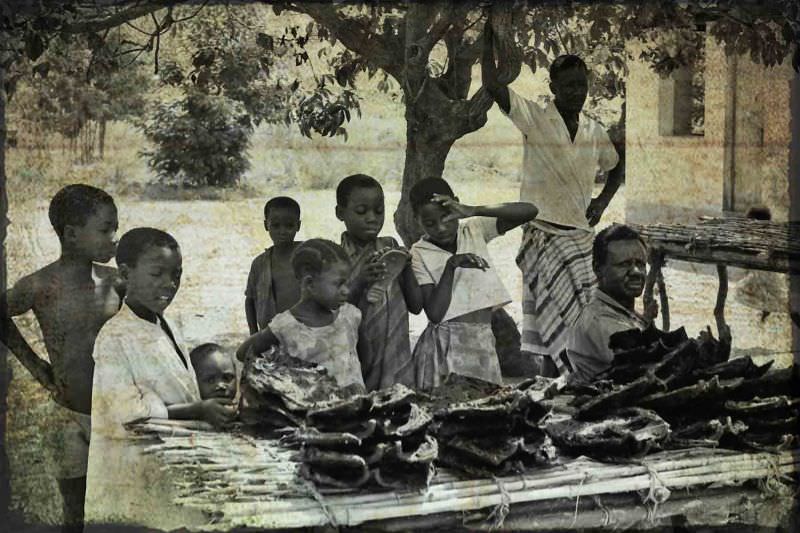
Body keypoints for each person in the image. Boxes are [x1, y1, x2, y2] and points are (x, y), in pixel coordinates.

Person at [483, 20, 623, 376]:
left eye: (582, 85)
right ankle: (551, 390)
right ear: (554, 87)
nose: (577, 92)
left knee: (583, 314)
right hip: (541, 234)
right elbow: (493, 85)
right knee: (546, 322)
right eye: (569, 85)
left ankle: (582, 382)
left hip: (579, 236)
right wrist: (489, 36)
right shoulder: (536, 119)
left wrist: (603, 202)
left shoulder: (594, 131)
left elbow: (616, 167)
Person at [85, 228, 237, 527]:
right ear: (126, 273)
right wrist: (197, 410)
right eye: (157, 273)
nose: (170, 284)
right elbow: (128, 416)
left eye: (176, 274)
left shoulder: (165, 323)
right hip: (134, 472)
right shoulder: (115, 337)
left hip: (170, 462)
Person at [0, 184, 121, 533]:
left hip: (115, 415)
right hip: (69, 415)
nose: (114, 237)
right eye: (105, 229)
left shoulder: (116, 283)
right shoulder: (40, 285)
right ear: (71, 234)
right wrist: (37, 367)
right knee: (76, 513)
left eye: (116, 228)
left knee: (115, 505)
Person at [408, 178, 538, 390]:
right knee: (451, 405)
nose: (441, 228)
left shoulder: (474, 229)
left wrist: (474, 210)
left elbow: (530, 211)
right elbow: (435, 313)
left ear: (456, 205)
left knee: (482, 406)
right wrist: (451, 266)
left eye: (447, 217)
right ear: (416, 220)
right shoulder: (418, 253)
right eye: (430, 223)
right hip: (447, 345)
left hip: (483, 338)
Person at [237, 239, 366, 395]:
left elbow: (366, 355)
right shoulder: (286, 326)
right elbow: (243, 353)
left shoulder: (350, 317)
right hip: (311, 415)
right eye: (339, 284)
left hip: (356, 412)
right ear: (310, 283)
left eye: (347, 283)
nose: (346, 290)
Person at [335, 174, 423, 391]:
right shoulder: (336, 258)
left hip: (396, 355)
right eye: (361, 211)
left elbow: (416, 306)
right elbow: (334, 312)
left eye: (379, 210)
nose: (372, 218)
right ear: (340, 213)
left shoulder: (391, 247)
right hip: (357, 357)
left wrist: (406, 266)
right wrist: (361, 280)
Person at [565, 224, 656, 383]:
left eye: (640, 264)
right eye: (624, 264)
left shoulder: (619, 313)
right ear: (598, 269)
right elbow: (653, 370)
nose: (636, 272)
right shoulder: (602, 323)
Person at [245, 196, 303, 335]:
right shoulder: (259, 264)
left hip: (306, 336)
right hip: (271, 339)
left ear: (298, 226)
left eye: (289, 225)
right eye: (276, 226)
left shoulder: (309, 257)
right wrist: (254, 334)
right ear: (266, 225)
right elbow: (250, 300)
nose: (282, 231)